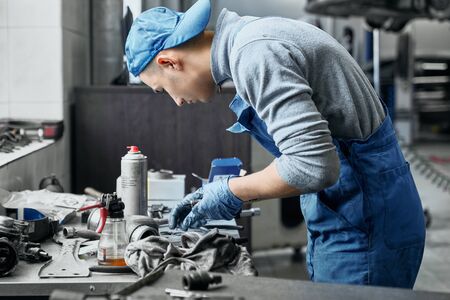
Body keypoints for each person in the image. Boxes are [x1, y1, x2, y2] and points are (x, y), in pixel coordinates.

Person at [125, 0, 426, 288]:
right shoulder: (249, 39)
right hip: (353, 211)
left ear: (170, 62)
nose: (176, 101)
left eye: (163, 89)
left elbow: (313, 166)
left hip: (365, 224)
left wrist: (232, 191)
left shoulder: (255, 54)